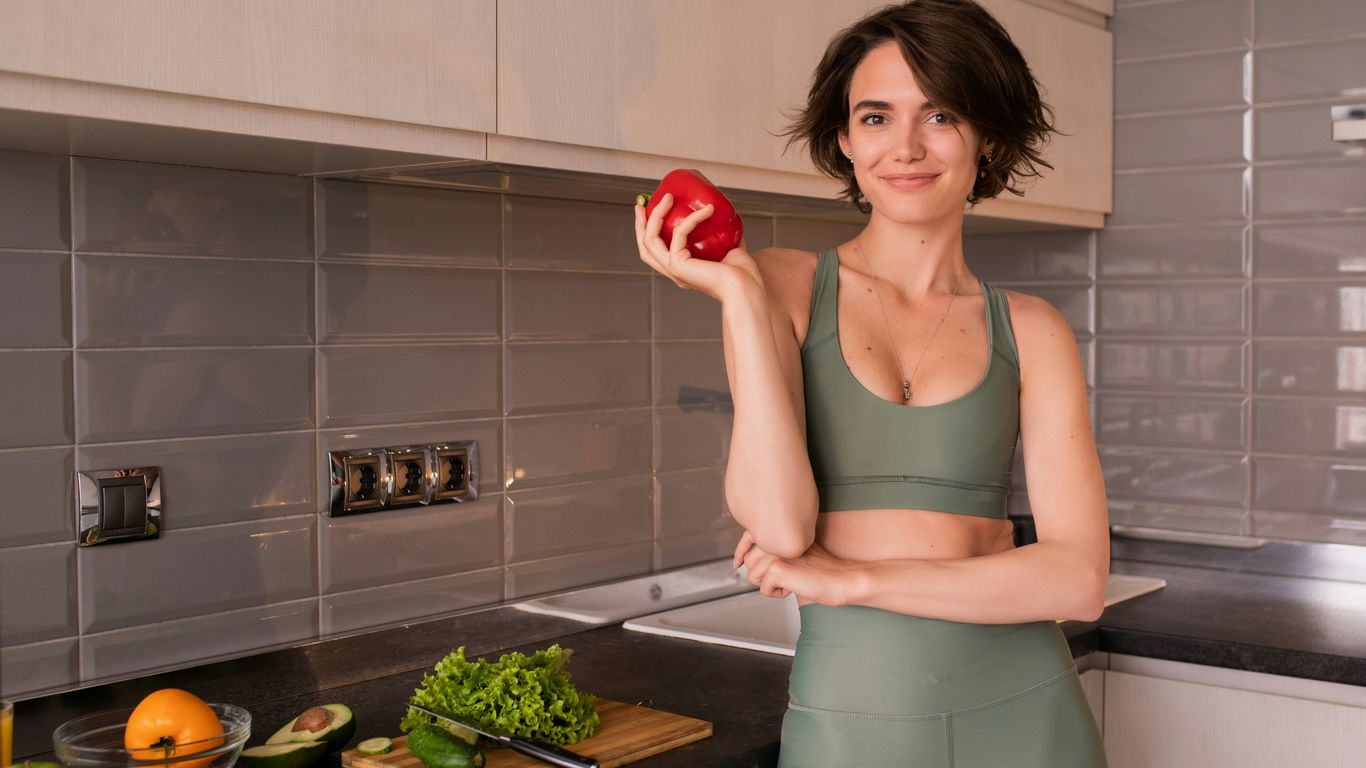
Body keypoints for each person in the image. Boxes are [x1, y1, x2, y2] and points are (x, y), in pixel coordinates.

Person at [633, 0, 1110, 765]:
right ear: (845, 140)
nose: (908, 147)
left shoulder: (1033, 330)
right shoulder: (782, 287)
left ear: (987, 140)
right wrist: (738, 297)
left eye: (942, 114)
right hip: (852, 719)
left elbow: (1077, 580)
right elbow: (782, 527)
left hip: (1027, 712)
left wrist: (851, 580)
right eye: (878, 117)